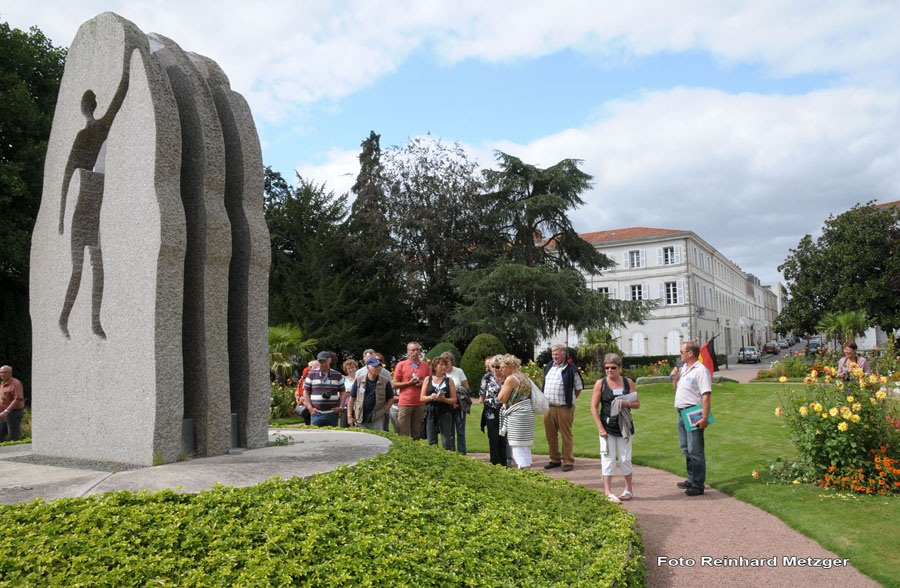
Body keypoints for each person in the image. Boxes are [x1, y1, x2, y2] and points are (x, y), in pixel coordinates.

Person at [591, 354, 639, 503]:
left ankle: (628, 489)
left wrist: (626, 404)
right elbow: (593, 407)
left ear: (620, 368)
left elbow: (637, 403)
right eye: (607, 368)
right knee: (608, 459)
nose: (609, 370)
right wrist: (600, 427)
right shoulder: (601, 384)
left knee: (625, 459)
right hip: (607, 428)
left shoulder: (627, 382)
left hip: (624, 426)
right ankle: (608, 491)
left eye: (613, 367)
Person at [669, 341, 712, 496]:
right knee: (686, 448)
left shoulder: (700, 371)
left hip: (694, 412)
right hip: (681, 413)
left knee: (695, 450)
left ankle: (698, 484)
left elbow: (706, 396)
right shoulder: (684, 369)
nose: (680, 354)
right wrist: (675, 377)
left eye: (681, 352)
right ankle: (692, 478)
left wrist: (705, 417)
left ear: (690, 353)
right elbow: (677, 390)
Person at [542, 344, 583, 472]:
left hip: (564, 407)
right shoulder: (549, 366)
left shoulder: (571, 368)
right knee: (550, 435)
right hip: (548, 407)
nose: (554, 356)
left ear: (564, 354)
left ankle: (568, 460)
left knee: (566, 435)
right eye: (553, 354)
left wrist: (569, 400)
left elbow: (578, 388)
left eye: (557, 354)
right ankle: (554, 459)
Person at [497, 354, 535, 469]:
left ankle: (524, 472)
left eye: (503, 367)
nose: (501, 370)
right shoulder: (524, 377)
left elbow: (501, 398)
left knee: (517, 445)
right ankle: (528, 470)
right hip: (527, 412)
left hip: (517, 415)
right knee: (525, 445)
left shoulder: (511, 379)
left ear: (510, 367)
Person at [393, 342, 431, 439]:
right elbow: (394, 384)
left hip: (420, 403)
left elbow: (430, 383)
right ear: (408, 352)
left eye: (417, 350)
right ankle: (404, 453)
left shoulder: (425, 366)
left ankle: (416, 453)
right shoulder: (401, 365)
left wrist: (422, 384)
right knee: (403, 433)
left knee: (416, 433)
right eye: (413, 350)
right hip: (405, 403)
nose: (415, 352)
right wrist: (408, 383)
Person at [420, 356, 456, 449]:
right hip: (431, 412)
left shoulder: (449, 381)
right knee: (432, 440)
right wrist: (430, 397)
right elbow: (422, 398)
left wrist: (443, 399)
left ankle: (448, 459)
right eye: (441, 364)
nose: (443, 367)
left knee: (446, 440)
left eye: (445, 365)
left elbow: (453, 400)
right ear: (435, 366)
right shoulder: (428, 379)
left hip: (445, 412)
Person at [348, 357, 394, 430]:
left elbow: (391, 398)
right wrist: (350, 416)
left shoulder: (385, 382)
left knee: (377, 439)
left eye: (379, 366)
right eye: (375, 366)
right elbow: (352, 398)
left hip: (377, 418)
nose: (378, 368)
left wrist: (384, 411)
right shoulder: (359, 380)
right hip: (360, 417)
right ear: (368, 368)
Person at [303, 351, 346, 427]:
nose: (322, 364)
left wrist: (341, 407)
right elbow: (305, 391)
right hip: (317, 413)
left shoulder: (337, 375)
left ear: (329, 360)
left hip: (332, 414)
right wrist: (310, 408)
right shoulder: (311, 374)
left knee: (332, 437)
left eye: (324, 362)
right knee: (315, 437)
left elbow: (343, 392)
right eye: (320, 362)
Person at [479, 355, 508, 466]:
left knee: (502, 438)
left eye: (497, 367)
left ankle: (504, 463)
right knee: (493, 438)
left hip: (504, 411)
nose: (495, 369)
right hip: (490, 410)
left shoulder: (508, 378)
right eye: (493, 367)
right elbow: (482, 395)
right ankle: (495, 463)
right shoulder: (487, 377)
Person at [442, 351, 470, 455]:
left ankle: (462, 454)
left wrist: (457, 389)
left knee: (460, 431)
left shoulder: (458, 371)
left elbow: (467, 388)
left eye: (447, 361)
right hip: (446, 405)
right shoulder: (441, 373)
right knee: (449, 432)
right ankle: (452, 453)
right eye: (443, 362)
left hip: (459, 405)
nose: (445, 364)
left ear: (452, 361)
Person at [0, 366, 25, 442]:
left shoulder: (15, 383)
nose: (2, 374)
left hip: (13, 413)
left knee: (14, 436)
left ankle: (17, 452)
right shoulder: (2, 384)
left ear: (10, 373)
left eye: (5, 372)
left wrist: (6, 411)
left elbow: (18, 399)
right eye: (1, 372)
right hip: (2, 414)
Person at [341, 359, 358, 428]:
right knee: (344, 427)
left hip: (357, 406)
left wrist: (353, 391)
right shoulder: (343, 380)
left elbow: (363, 390)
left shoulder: (360, 379)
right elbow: (340, 392)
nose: (351, 370)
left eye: (352, 367)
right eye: (348, 368)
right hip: (346, 406)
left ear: (356, 368)